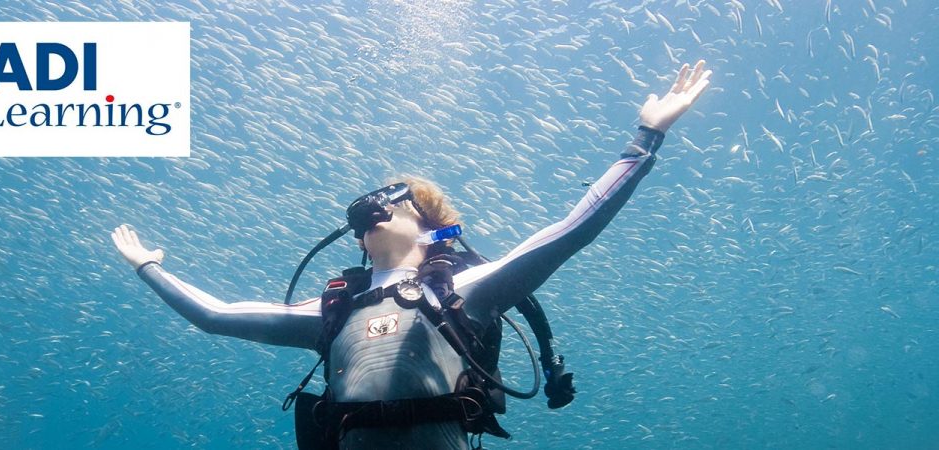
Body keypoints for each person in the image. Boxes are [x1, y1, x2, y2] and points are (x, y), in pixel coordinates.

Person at [112, 61, 712, 449]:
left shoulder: (466, 290)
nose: (372, 211)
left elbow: (573, 228)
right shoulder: (334, 311)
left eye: (389, 202)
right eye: (363, 209)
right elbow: (215, 316)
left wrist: (646, 137)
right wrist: (149, 266)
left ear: (431, 228)